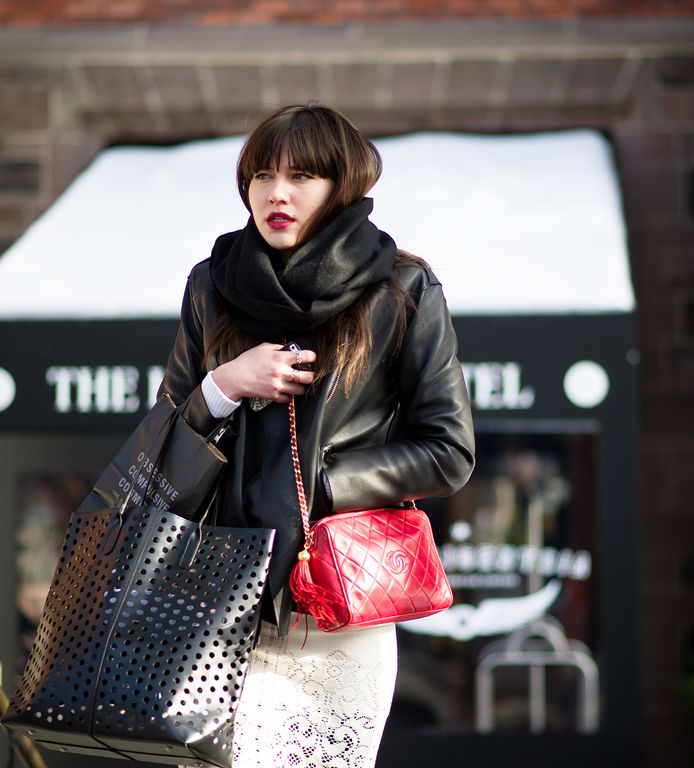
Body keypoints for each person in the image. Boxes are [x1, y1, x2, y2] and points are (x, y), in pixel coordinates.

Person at [161, 103, 475, 768]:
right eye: (261, 175)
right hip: (220, 611)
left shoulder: (401, 291)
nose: (277, 192)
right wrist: (226, 385)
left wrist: (328, 485)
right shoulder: (211, 286)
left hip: (336, 610)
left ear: (342, 185)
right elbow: (161, 452)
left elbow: (450, 451)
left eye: (302, 175)